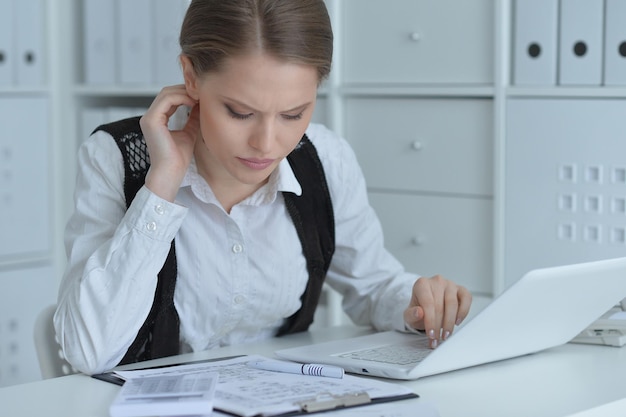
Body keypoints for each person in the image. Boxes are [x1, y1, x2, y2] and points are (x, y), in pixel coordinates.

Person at [54, 0, 472, 375]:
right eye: (239, 112)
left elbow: (373, 287)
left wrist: (418, 303)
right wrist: (161, 188)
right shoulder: (115, 158)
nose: (267, 144)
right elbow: (89, 352)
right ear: (191, 78)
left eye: (294, 114)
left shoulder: (325, 157)